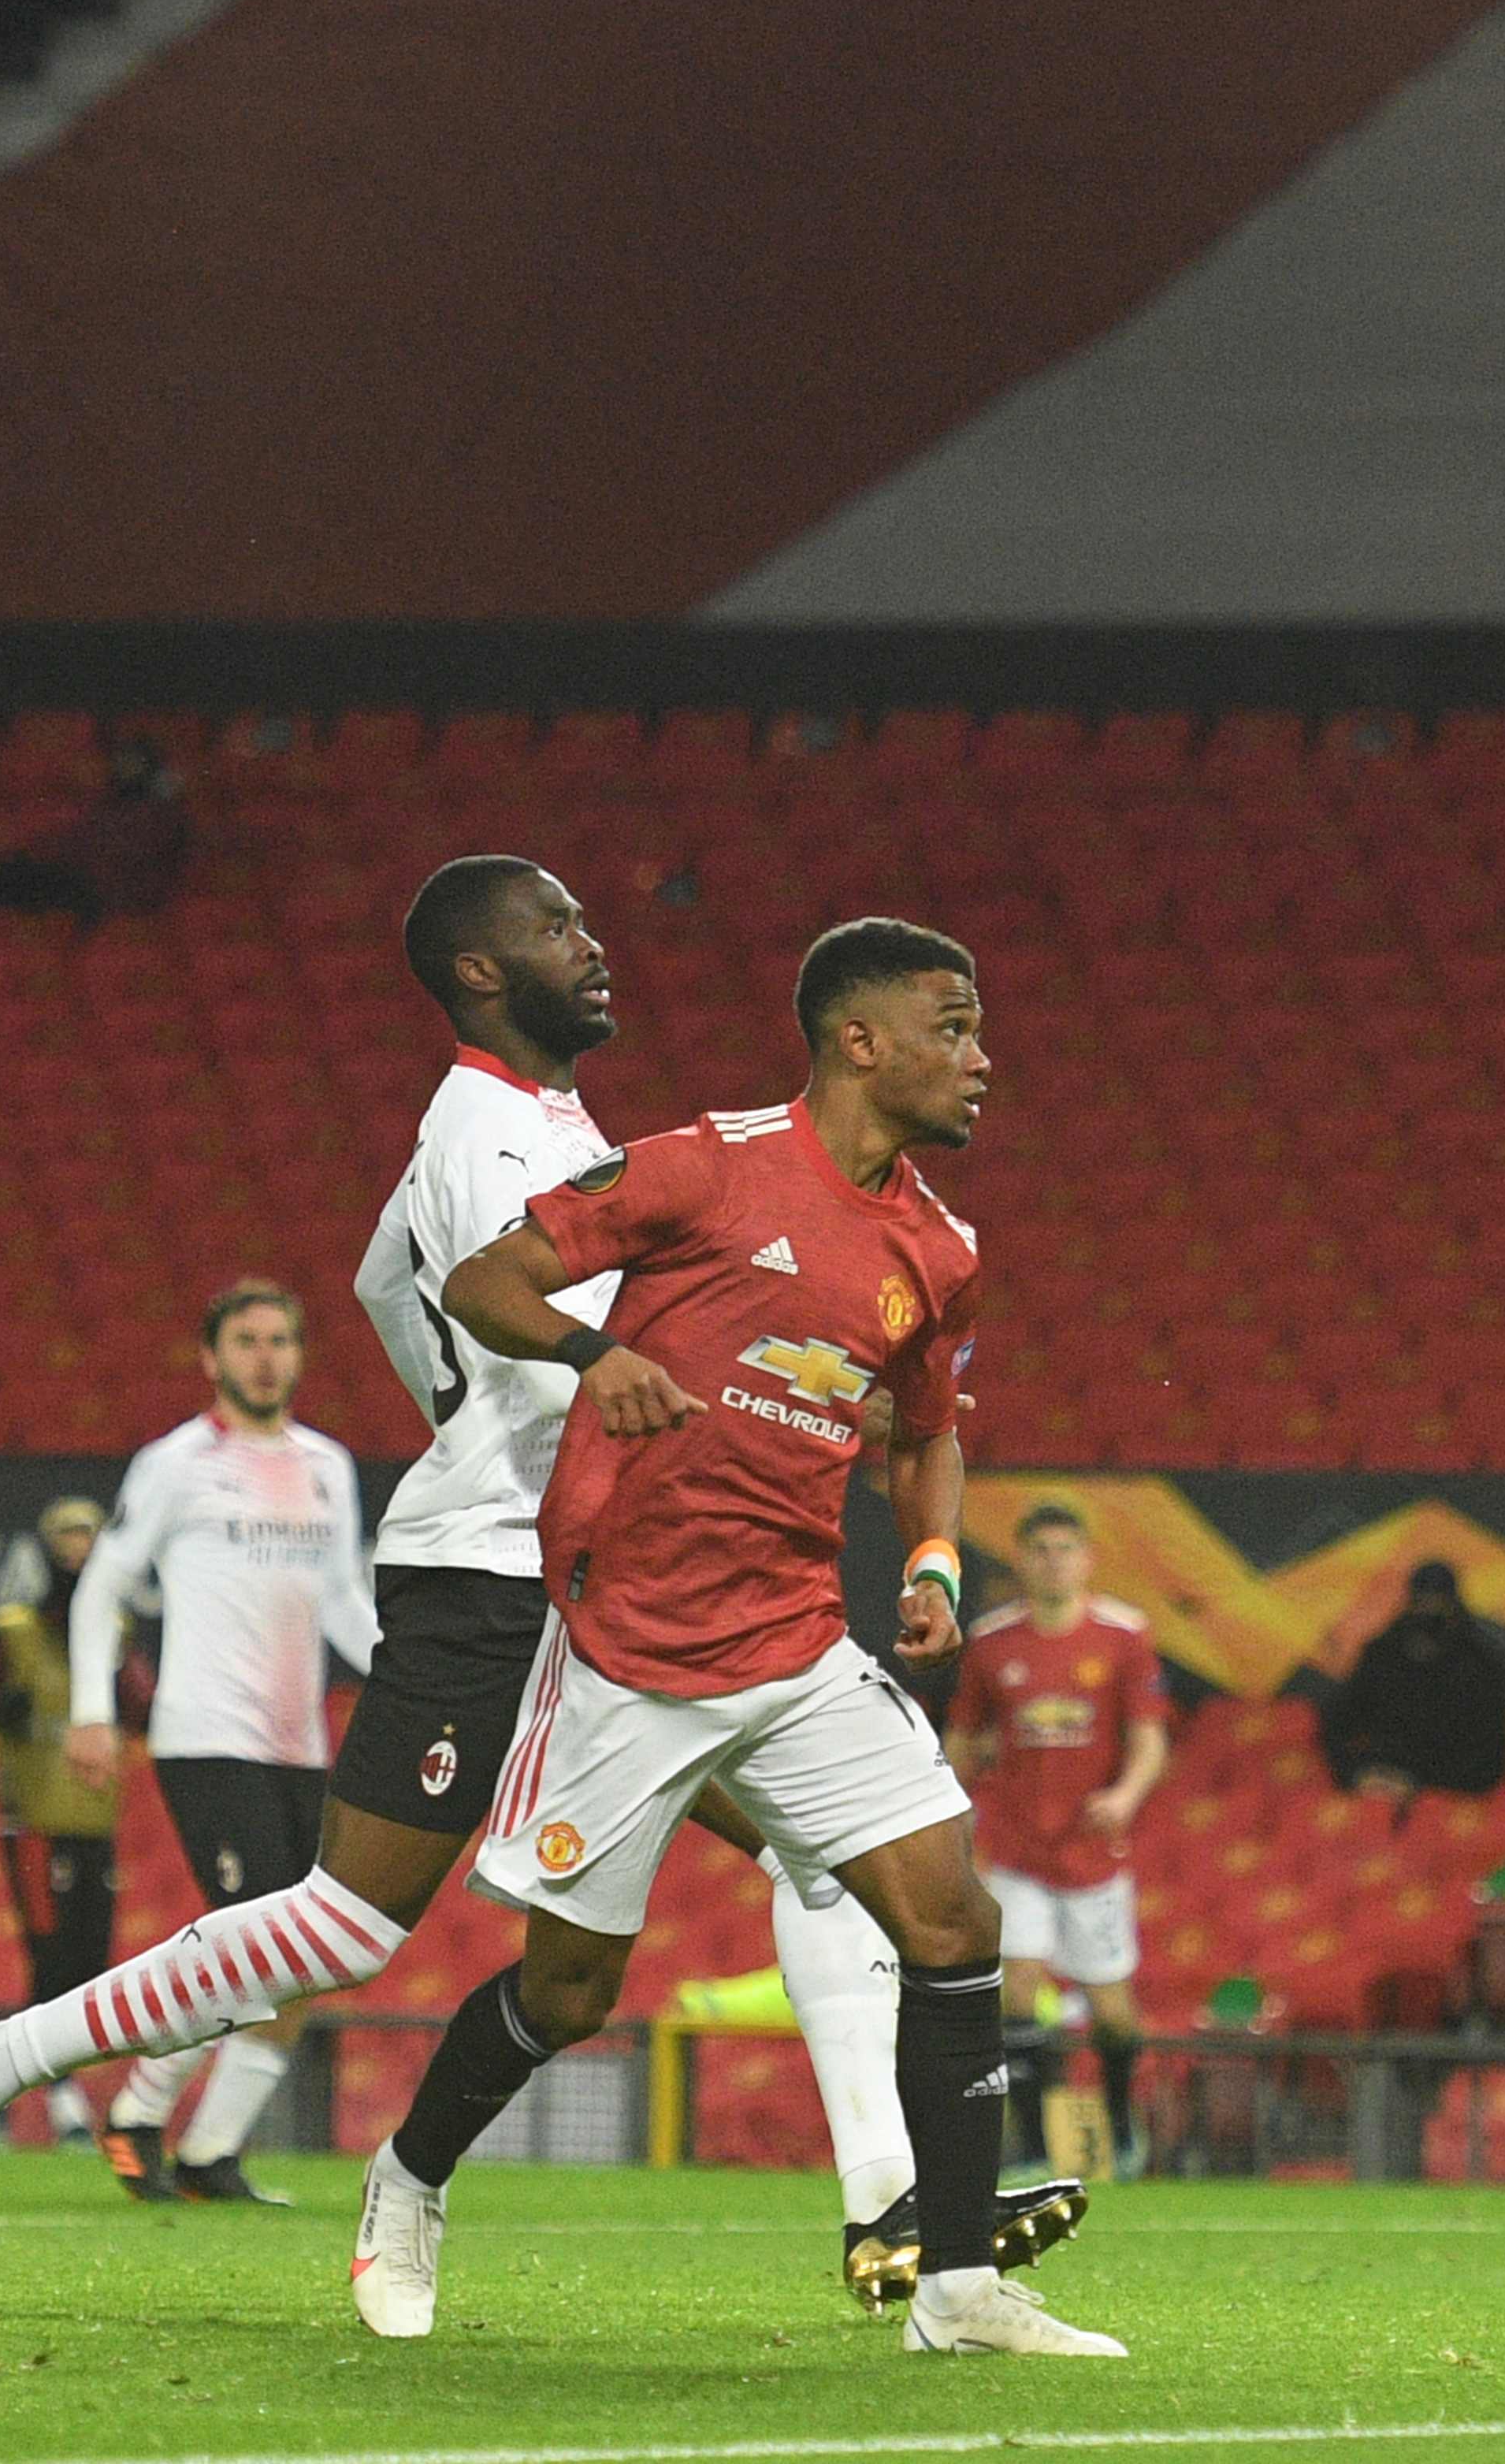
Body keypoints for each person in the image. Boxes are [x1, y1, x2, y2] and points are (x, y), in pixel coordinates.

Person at [0, 863, 1078, 2299]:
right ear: (479, 975)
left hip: (624, 1578)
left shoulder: (535, 1123)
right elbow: (563, 1325)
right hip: (513, 1577)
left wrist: (505, 1416)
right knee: (349, 1921)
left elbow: (385, 1278)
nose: (594, 947)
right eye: (555, 930)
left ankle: (891, 2201)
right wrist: (757, 1391)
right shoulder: (497, 1137)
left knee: (837, 1867)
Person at [348, 916, 1112, 2356]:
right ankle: (405, 2186)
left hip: (795, 1637)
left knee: (954, 1919)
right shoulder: (701, 1162)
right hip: (627, 1643)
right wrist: (599, 1354)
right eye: (953, 1028)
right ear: (857, 1041)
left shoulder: (939, 1247)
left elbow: (932, 1431)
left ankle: (954, 2286)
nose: (982, 1060)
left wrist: (936, 1555)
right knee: (568, 1992)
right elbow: (484, 1284)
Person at [52, 1281, 377, 2206]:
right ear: (212, 1357)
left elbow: (343, 1601)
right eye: (247, 1341)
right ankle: (142, 2107)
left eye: (282, 1339)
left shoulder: (328, 1464)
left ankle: (209, 2152)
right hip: (205, 1734)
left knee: (307, 1953)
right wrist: (91, 1710)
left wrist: (414, 1679)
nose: (266, 1357)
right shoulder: (177, 1462)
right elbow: (103, 1584)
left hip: (300, 1742)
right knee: (267, 1942)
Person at [949, 1503, 1170, 2180]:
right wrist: (947, 1807)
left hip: (1093, 1856)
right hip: (1018, 1849)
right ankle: (1036, 2145)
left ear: (1088, 1558)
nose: (1052, 1561)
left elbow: (1150, 1736)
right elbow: (962, 1737)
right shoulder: (990, 1644)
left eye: (1065, 1549)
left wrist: (1126, 1796)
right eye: (1039, 1549)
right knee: (1018, 1992)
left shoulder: (1124, 1637)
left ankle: (1121, 2123)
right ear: (1021, 1558)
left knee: (1112, 2013)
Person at [0, 1492, 141, 2145]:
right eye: (68, 1538)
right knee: (51, 1963)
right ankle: (57, 2098)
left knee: (88, 1963)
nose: (79, 1550)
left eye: (89, 1537)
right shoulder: (15, 1631)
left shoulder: (114, 1629)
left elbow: (142, 1706)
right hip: (36, 1822)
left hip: (94, 1818)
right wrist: (3, 1709)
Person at [0, 732, 188, 930]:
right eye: (122, 761)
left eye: (133, 762)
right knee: (10, 872)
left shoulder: (160, 813)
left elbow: (114, 848)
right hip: (89, 879)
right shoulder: (113, 803)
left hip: (112, 892)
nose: (124, 767)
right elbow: (81, 839)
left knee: (18, 877)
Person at [1321, 1562, 1505, 1800]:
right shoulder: (1381, 1655)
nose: (1429, 1613)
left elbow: (1489, 1758)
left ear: (1454, 1607)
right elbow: (1338, 1725)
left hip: (1446, 1789)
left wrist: (1420, 1785)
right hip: (1378, 1778)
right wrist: (1358, 1773)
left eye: (1438, 1605)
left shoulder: (1482, 1667)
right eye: (1422, 1603)